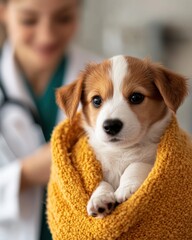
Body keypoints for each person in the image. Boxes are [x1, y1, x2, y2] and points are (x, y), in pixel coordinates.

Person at [0, 0, 100, 239]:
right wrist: (26, 174)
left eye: (64, 18)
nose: (47, 36)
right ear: (2, 11)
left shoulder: (109, 79)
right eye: (29, 20)